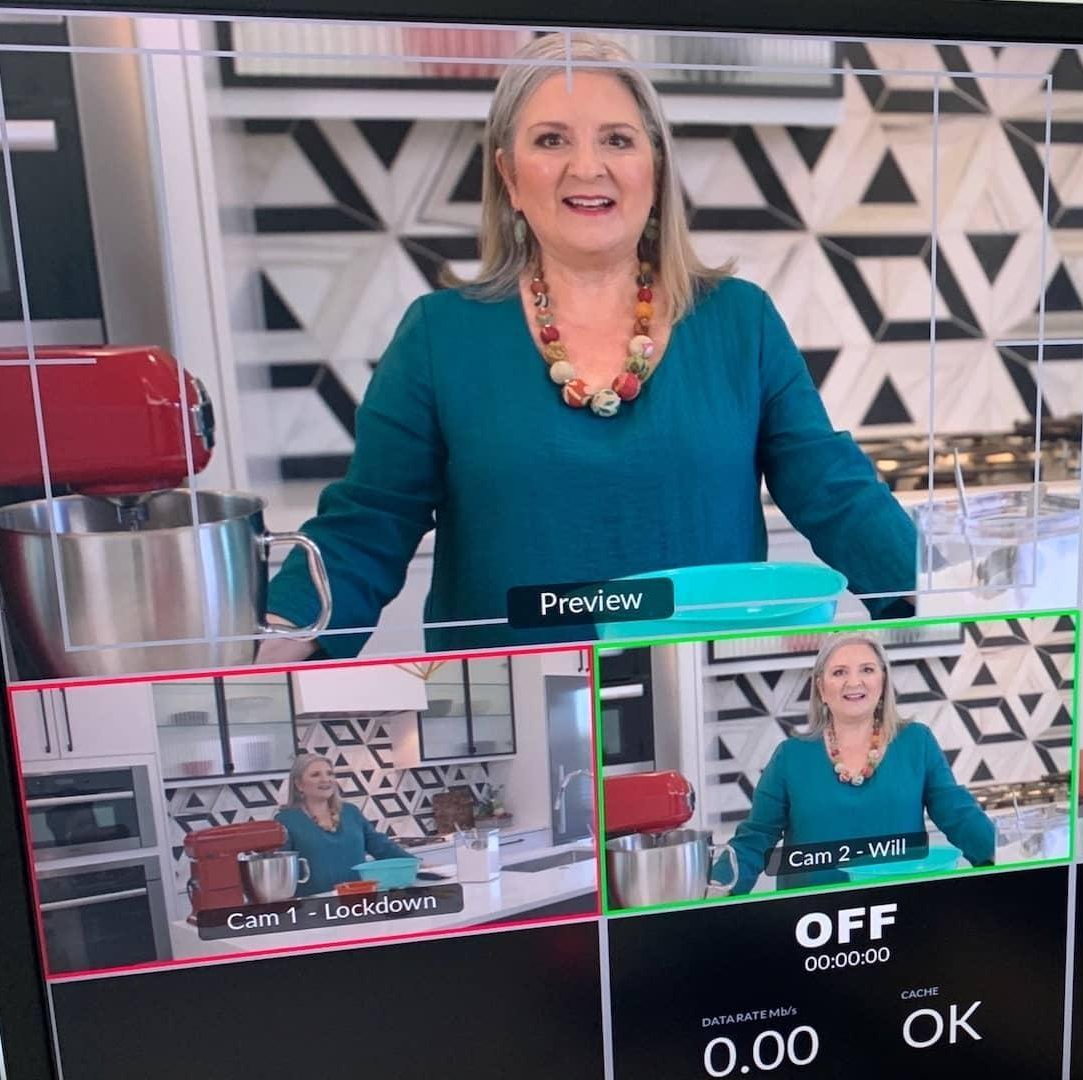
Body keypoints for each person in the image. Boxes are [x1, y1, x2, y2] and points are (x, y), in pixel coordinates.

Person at [258, 32, 915, 661]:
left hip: (706, 708)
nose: (587, 166)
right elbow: (367, 523)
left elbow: (834, 492)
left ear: (654, 169)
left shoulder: (740, 322)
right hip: (517, 730)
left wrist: (932, 586)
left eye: (617, 139)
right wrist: (271, 639)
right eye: (551, 140)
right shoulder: (439, 335)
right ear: (510, 177)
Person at [713, 633, 995, 894]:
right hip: (811, 918)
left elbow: (958, 815)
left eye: (867, 670)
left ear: (883, 682)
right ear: (821, 688)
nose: (854, 682)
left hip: (901, 910)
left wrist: (1000, 856)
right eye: (839, 672)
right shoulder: (791, 756)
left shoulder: (916, 742)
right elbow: (756, 838)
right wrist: (716, 888)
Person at [274, 753, 414, 895]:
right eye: (315, 775)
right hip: (315, 905)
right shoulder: (285, 821)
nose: (325, 779)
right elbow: (280, 873)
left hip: (359, 899)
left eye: (330, 773)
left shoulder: (350, 812)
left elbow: (381, 846)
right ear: (299, 784)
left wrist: (415, 864)